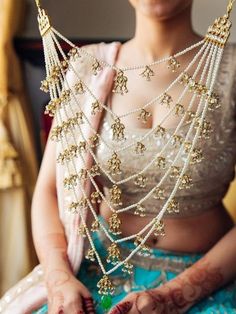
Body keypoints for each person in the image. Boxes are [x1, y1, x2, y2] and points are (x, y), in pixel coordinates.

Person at [1, 0, 236, 313]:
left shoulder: (230, 69)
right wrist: (59, 280)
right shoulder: (88, 66)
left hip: (210, 279)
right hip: (101, 272)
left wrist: (175, 296)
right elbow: (50, 190)